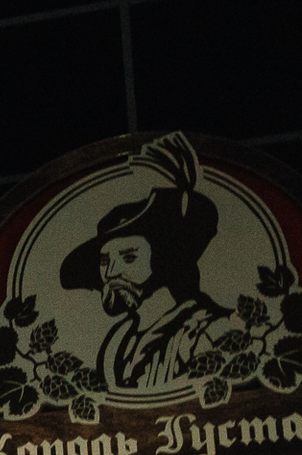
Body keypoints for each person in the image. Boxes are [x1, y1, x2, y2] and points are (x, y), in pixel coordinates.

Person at [59, 135, 239, 393]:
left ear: (164, 259)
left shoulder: (211, 329)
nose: (111, 272)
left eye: (129, 257)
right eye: (104, 261)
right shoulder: (117, 342)